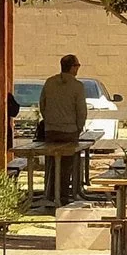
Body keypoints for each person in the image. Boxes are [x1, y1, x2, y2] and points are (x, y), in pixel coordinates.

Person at [37, 54, 86, 205]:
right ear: (72, 67)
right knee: (66, 165)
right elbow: (81, 110)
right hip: (69, 131)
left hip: (51, 130)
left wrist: (49, 121)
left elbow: (42, 104)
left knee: (51, 163)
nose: (78, 68)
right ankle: (63, 195)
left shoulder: (50, 82)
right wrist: (79, 127)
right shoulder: (77, 86)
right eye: (77, 66)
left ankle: (50, 194)